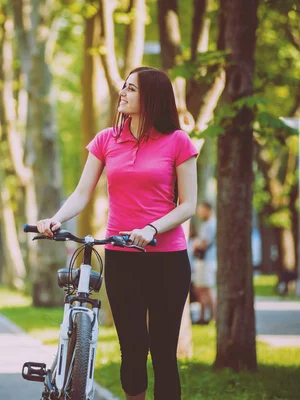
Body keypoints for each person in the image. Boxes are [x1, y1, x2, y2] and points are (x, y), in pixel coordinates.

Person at [36, 66, 198, 400]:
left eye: (131, 88)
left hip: (167, 260)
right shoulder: (107, 140)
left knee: (164, 355)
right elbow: (82, 194)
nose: (122, 93)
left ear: (151, 97)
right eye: (123, 87)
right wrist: (56, 219)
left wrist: (152, 227)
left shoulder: (177, 141)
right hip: (123, 259)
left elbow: (188, 204)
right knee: (133, 351)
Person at [190, 202, 217, 323]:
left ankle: (213, 315)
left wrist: (196, 245)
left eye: (201, 210)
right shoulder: (207, 224)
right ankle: (203, 315)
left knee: (207, 288)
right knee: (200, 289)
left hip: (207, 260)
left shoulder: (210, 225)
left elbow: (205, 243)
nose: (199, 213)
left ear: (208, 210)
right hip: (203, 261)